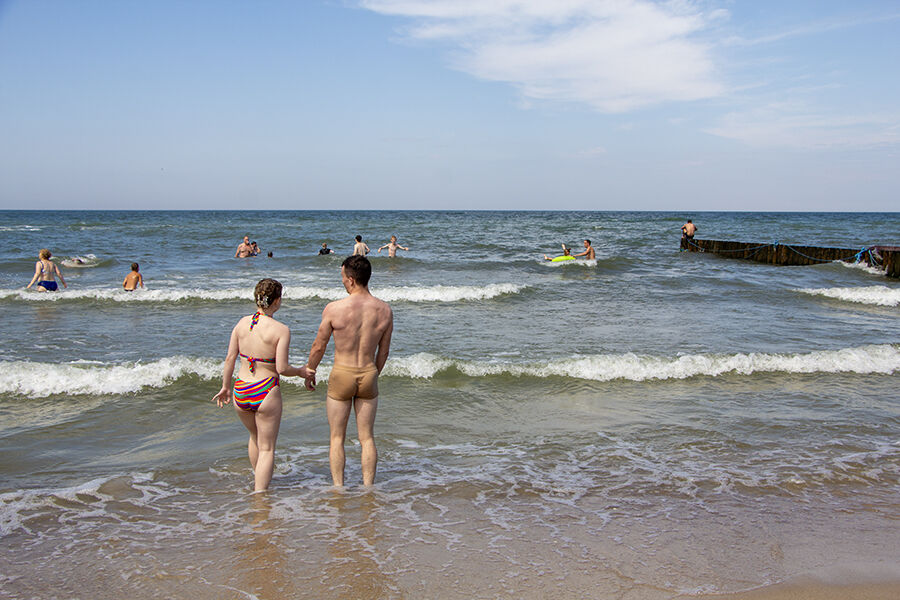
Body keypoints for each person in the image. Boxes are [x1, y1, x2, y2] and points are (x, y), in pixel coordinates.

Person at [212, 278, 315, 492]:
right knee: (267, 448)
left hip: (241, 388)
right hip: (265, 390)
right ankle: (260, 496)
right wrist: (300, 371)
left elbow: (230, 358)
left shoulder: (242, 323)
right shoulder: (281, 330)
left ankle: (259, 481)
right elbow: (282, 368)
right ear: (276, 301)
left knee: (254, 437)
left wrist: (225, 387)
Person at [305, 256, 393, 487]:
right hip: (368, 372)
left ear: (351, 279)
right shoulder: (385, 310)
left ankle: (338, 489)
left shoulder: (334, 309)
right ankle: (368, 488)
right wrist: (373, 373)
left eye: (343, 277)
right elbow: (384, 352)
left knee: (337, 438)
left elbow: (319, 346)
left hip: (342, 374)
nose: (342, 280)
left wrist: (310, 370)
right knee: (367, 437)